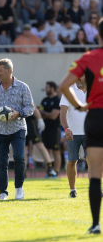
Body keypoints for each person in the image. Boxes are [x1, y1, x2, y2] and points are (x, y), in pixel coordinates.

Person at [59, 17, 103, 234]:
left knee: (95, 170)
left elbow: (63, 85)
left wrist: (80, 105)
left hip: (95, 117)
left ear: (98, 35)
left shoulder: (89, 57)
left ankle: (96, 224)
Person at [0, 58, 34, 200]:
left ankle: (19, 188)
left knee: (19, 157)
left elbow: (30, 107)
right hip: (0, 130)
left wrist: (19, 113)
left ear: (9, 71)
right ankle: (3, 192)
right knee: (2, 162)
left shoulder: (23, 87)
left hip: (18, 128)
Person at [60, 76, 87, 197]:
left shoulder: (95, 91)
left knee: (93, 161)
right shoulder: (68, 91)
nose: (79, 78)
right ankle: (72, 190)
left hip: (91, 133)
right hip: (72, 133)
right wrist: (66, 128)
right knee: (72, 161)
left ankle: (96, 188)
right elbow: (63, 112)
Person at [25, 104, 57, 177]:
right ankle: (23, 172)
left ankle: (49, 168)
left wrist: (40, 119)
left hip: (31, 123)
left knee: (40, 145)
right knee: (23, 149)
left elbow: (34, 107)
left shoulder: (25, 92)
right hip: (21, 123)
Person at [39, 81, 61, 176]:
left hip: (54, 129)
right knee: (46, 151)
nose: (45, 89)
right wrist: (45, 114)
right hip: (45, 129)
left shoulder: (58, 100)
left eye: (47, 87)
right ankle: (49, 172)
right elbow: (39, 114)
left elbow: (54, 116)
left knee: (56, 151)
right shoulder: (44, 100)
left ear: (52, 88)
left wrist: (44, 113)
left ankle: (56, 172)